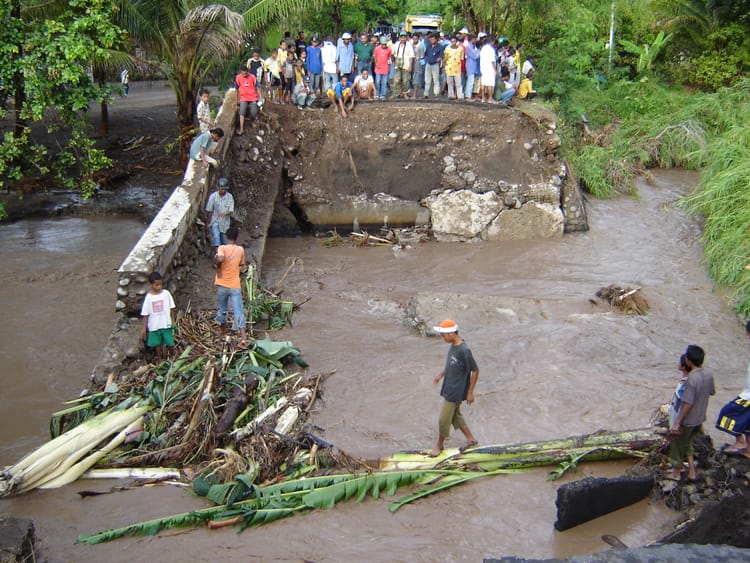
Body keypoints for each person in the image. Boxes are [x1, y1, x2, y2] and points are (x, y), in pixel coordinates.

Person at [429, 319, 479, 457]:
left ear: (451, 334)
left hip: (455, 391)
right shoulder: (453, 346)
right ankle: (471, 439)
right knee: (456, 416)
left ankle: (439, 445)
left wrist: (470, 393)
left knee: (444, 419)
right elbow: (452, 364)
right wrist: (441, 374)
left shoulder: (464, 351)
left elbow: (475, 371)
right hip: (449, 386)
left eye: (444, 335)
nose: (442, 338)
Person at [668, 344, 715, 481]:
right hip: (700, 418)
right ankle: (692, 471)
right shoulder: (708, 374)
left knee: (677, 444)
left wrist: (677, 423)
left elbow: (687, 403)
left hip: (688, 421)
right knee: (688, 444)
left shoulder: (692, 380)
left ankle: (676, 473)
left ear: (688, 361)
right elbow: (711, 391)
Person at [716, 321, 750, 456]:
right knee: (748, 421)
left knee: (726, 412)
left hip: (748, 395)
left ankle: (740, 441)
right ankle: (748, 450)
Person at [214, 226, 247, 348]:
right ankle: (243, 338)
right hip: (235, 285)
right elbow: (242, 265)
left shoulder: (221, 248)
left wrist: (218, 263)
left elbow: (220, 258)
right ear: (236, 238)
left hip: (222, 284)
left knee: (222, 308)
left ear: (226, 237)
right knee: (238, 310)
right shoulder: (240, 250)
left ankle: (223, 331)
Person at [140, 271, 176, 363]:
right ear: (151, 285)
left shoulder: (166, 294)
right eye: (157, 285)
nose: (159, 287)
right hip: (154, 325)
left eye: (160, 284)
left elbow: (172, 307)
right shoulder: (148, 298)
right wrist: (144, 328)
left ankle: (173, 355)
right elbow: (145, 314)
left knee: (169, 341)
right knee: (157, 343)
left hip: (166, 323)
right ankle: (160, 358)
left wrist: (172, 320)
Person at [205, 177, 234, 251]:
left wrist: (223, 214)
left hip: (225, 223)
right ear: (218, 188)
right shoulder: (213, 197)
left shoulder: (230, 197)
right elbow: (209, 210)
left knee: (224, 241)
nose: (223, 191)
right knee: (216, 237)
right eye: (222, 189)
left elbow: (231, 210)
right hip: (215, 221)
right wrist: (208, 223)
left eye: (225, 189)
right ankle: (218, 256)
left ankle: (224, 256)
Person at [235, 64, 259, 135]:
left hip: (252, 97)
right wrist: (236, 100)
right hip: (243, 97)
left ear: (247, 72)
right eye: (242, 73)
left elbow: (257, 87)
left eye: (245, 73)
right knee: (242, 112)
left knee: (254, 112)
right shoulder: (238, 78)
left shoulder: (252, 77)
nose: (244, 75)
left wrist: (259, 97)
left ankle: (253, 121)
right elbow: (236, 89)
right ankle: (241, 128)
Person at [392, 30, 415, 99]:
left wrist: (410, 66)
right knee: (397, 80)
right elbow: (392, 54)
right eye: (401, 37)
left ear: (406, 38)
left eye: (404, 37)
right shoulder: (396, 44)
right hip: (398, 65)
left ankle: (405, 94)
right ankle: (396, 94)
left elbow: (411, 56)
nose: (403, 39)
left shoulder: (409, 45)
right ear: (399, 38)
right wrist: (393, 61)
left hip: (406, 65)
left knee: (406, 80)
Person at [423, 33, 444, 99]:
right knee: (427, 80)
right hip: (428, 64)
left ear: (437, 39)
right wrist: (427, 60)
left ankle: (436, 94)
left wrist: (437, 60)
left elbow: (441, 57)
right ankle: (425, 94)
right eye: (431, 39)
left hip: (435, 64)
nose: (432, 40)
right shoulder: (428, 46)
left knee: (436, 79)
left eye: (433, 39)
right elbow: (425, 54)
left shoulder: (440, 47)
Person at [443, 34, 464, 100]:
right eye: (452, 41)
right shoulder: (447, 49)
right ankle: (451, 95)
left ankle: (459, 95)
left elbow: (462, 58)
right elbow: (445, 58)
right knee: (450, 83)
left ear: (456, 41)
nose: (453, 43)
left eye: (454, 41)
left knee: (458, 83)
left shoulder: (460, 49)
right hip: (449, 67)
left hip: (457, 68)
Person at [373, 35, 392, 100]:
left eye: (385, 44)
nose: (383, 45)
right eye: (382, 44)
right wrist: (376, 64)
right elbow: (375, 57)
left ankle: (382, 94)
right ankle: (377, 93)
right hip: (378, 68)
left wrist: (389, 68)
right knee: (377, 82)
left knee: (384, 82)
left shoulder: (389, 49)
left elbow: (389, 59)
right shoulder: (377, 48)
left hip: (385, 68)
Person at [479, 35, 497, 103]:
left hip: (483, 67)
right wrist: (495, 70)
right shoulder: (491, 50)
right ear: (492, 42)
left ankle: (483, 98)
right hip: (490, 68)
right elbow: (492, 61)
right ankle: (490, 98)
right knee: (490, 84)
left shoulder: (483, 49)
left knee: (483, 83)